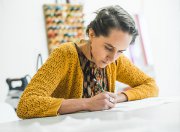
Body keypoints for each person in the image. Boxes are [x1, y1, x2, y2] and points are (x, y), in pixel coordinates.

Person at [17, 5, 159, 119]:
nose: (112, 58)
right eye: (108, 47)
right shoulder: (65, 54)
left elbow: (151, 85)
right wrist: (87, 103)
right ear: (92, 34)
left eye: (120, 51)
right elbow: (26, 104)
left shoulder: (116, 60)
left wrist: (118, 98)